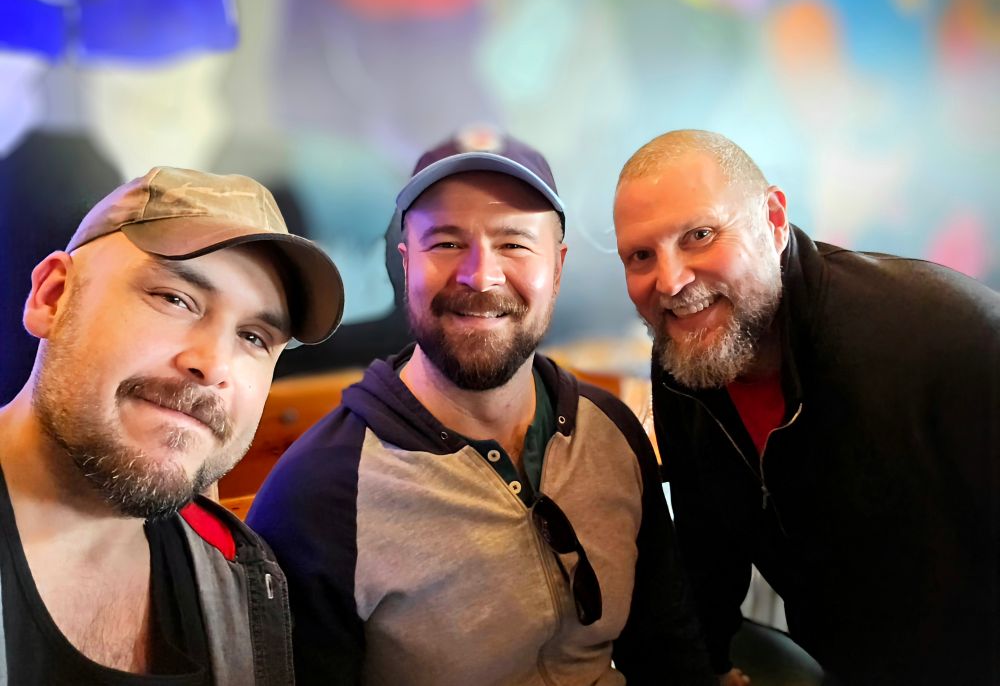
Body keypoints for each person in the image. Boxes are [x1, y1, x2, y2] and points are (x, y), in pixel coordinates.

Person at [248, 128, 717, 685]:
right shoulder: (320, 493)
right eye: (446, 243)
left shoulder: (610, 432)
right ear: (405, 267)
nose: (481, 275)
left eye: (514, 243)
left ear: (558, 267)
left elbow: (668, 652)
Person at [613, 129, 1000, 685]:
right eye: (641, 255)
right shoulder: (684, 357)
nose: (671, 282)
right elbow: (705, 555)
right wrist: (708, 669)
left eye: (699, 235)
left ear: (773, 220)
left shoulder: (942, 339)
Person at [0, 166, 345, 684]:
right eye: (174, 299)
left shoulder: (241, 575)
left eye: (253, 337)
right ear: (53, 296)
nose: (214, 364)